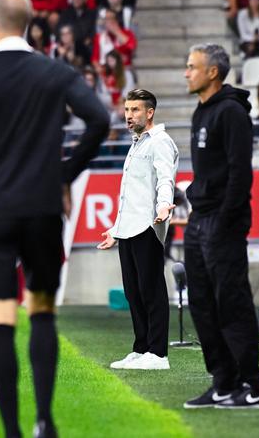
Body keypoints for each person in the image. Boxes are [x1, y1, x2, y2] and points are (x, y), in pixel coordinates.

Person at [0, 0, 109, 437]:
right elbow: (100, 120)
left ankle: (12, 431)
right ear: (30, 23)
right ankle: (45, 420)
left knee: (0, 318)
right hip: (42, 209)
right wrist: (64, 176)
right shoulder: (54, 71)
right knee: (42, 310)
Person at [183, 44, 259, 409]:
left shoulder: (231, 112)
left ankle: (252, 385)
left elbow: (239, 174)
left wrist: (225, 220)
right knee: (201, 304)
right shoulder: (200, 113)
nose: (187, 73)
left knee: (231, 302)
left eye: (192, 67)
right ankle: (223, 382)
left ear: (212, 72)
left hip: (222, 223)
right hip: (199, 219)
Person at [97, 88, 178, 370]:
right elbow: (129, 196)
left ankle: (158, 354)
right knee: (133, 291)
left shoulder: (160, 142)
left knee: (151, 290)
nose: (128, 115)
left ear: (149, 112)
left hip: (148, 226)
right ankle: (142, 348)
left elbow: (165, 179)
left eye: (134, 110)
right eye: (127, 110)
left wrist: (165, 205)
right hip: (128, 228)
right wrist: (114, 229)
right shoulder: (136, 144)